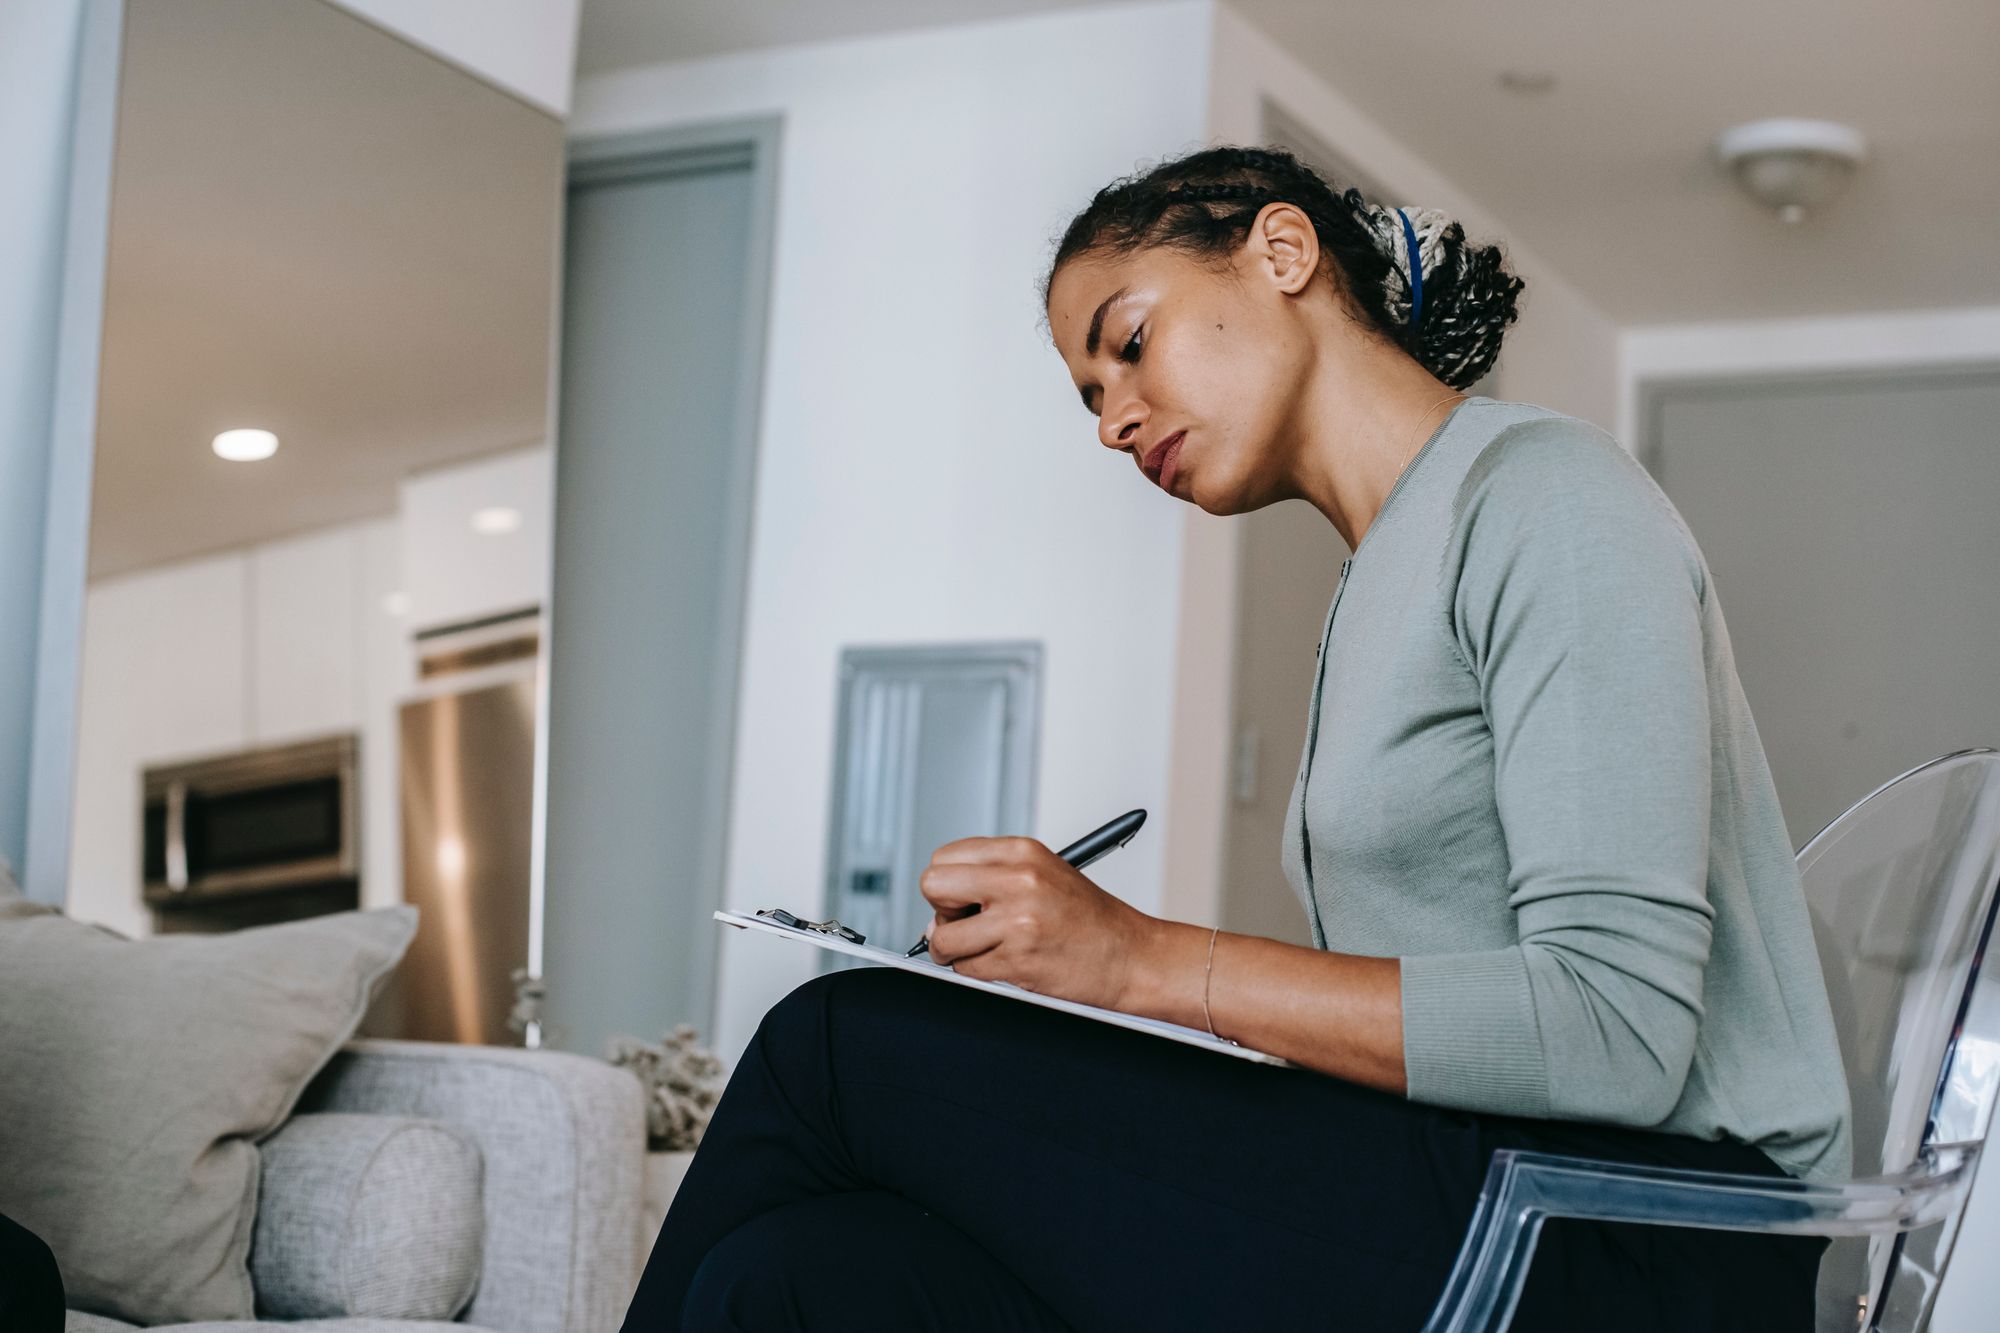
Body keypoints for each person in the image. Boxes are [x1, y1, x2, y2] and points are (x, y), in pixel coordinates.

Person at [619, 144, 1852, 1333]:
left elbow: (1616, 1035)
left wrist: (1135, 961)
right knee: (794, 1276)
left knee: (832, 1047)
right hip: (1478, 1192)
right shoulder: (1377, 581)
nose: (1112, 419)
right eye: (1092, 396)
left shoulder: (1546, 497)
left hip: (1641, 1241)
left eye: (1129, 344)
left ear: (1280, 250)